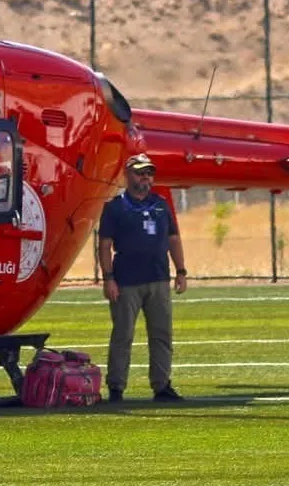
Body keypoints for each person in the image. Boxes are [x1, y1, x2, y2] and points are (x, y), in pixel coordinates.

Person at [98, 153, 187, 403]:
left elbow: (173, 239)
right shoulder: (115, 207)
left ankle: (162, 385)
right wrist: (108, 278)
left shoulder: (160, 204)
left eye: (149, 172)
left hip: (158, 278)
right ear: (128, 175)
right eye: (140, 172)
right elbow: (104, 244)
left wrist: (181, 271)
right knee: (123, 335)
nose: (145, 177)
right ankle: (116, 386)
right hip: (126, 281)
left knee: (161, 334)